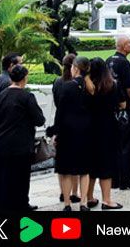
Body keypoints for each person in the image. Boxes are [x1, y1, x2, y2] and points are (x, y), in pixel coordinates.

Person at [0, 65, 45, 211]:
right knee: (20, 177)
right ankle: (20, 204)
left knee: (0, 177)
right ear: (24, 78)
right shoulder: (26, 97)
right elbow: (39, 120)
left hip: (0, 142)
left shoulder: (1, 95)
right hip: (20, 144)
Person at [84, 58, 124, 209]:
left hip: (90, 128)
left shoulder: (86, 87)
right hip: (108, 127)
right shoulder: (112, 85)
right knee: (106, 165)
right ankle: (107, 200)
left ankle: (89, 197)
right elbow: (123, 104)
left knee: (91, 165)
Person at [53, 55, 91, 210]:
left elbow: (60, 113)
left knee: (66, 170)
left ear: (75, 68)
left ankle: (67, 202)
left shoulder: (67, 86)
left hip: (68, 131)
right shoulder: (90, 87)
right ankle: (83, 202)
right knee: (84, 170)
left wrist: (56, 132)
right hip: (86, 131)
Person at [106, 36, 130, 191]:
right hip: (124, 108)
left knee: (114, 144)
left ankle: (114, 178)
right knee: (127, 145)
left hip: (111, 109)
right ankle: (126, 179)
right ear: (122, 46)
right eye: (129, 43)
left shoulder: (108, 60)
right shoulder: (124, 63)